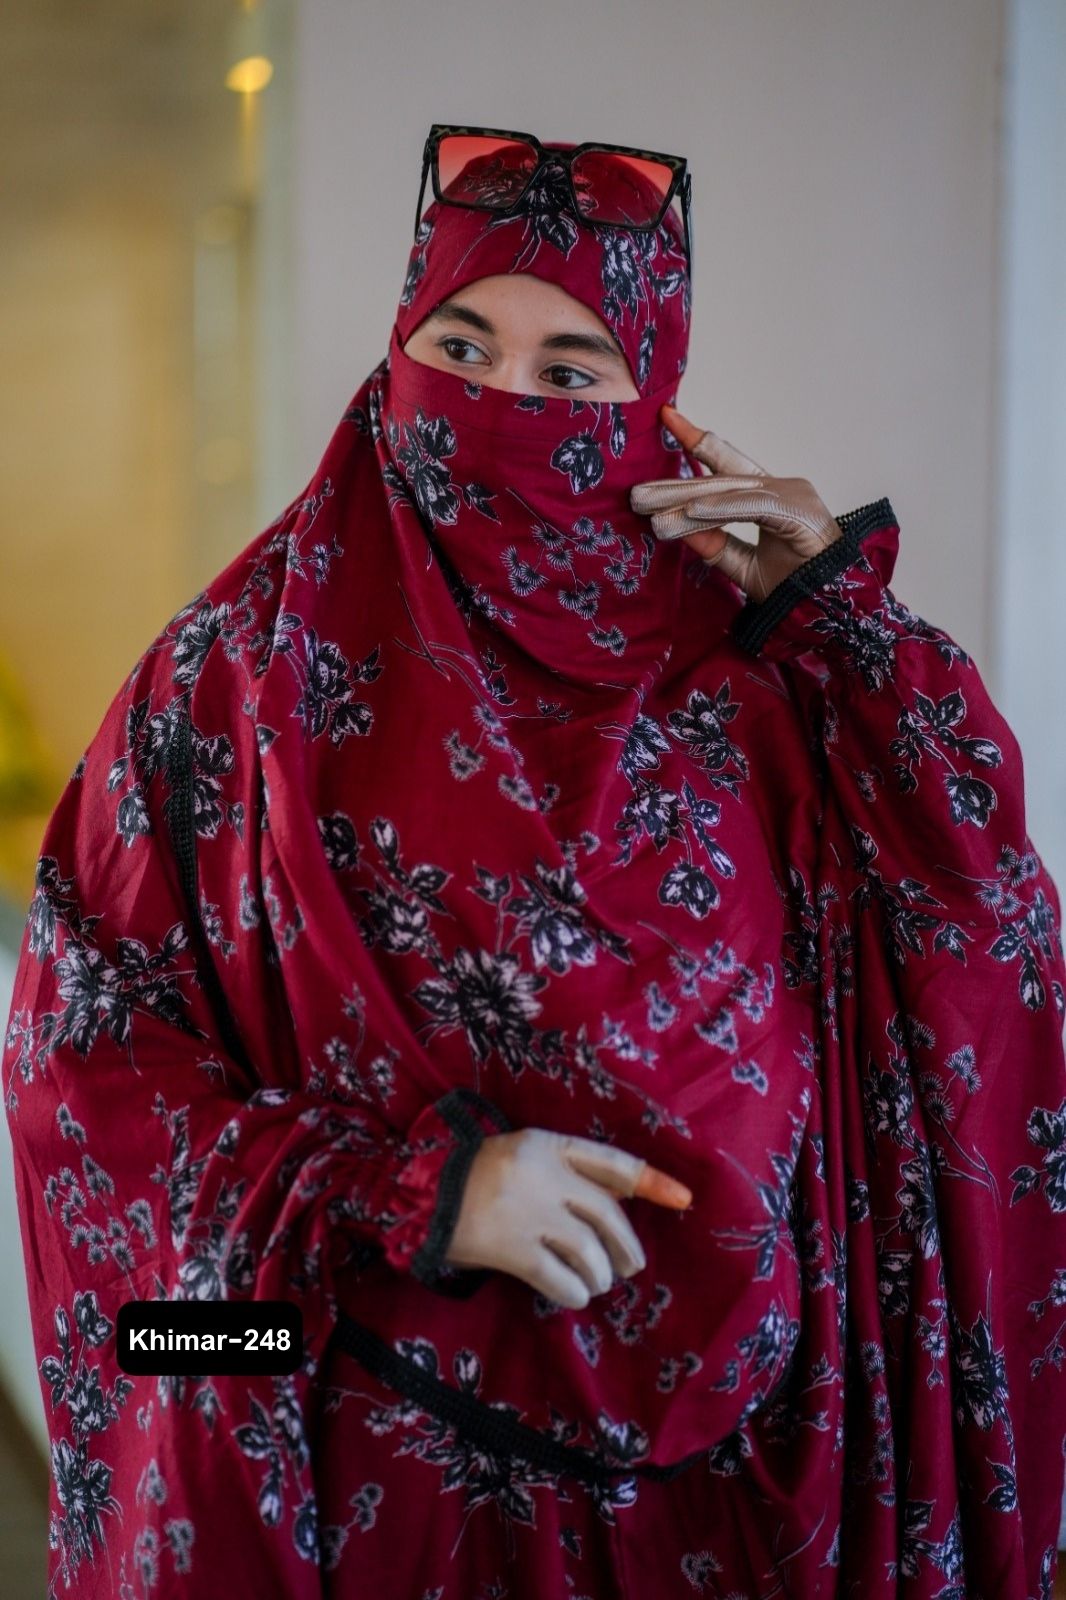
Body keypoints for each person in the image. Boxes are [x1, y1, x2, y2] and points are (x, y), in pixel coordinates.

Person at [4, 123, 1066, 1599]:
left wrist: (840, 618)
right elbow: (82, 1073)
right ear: (396, 355)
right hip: (371, 1465)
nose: (505, 400)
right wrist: (409, 1195)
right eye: (461, 347)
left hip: (749, 1492)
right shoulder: (235, 684)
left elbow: (980, 930)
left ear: (654, 405)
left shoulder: (765, 681)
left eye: (572, 373)